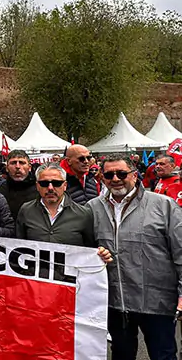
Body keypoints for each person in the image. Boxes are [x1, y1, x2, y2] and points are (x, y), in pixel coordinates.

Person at [88, 154, 182, 360]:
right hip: (116, 302)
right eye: (109, 174)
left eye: (121, 173)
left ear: (135, 175)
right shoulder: (92, 208)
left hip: (157, 301)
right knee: (121, 355)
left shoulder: (164, 206)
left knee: (163, 355)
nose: (115, 179)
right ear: (102, 177)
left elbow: (180, 252)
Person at [16, 163, 97, 247]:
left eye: (56, 183)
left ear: (65, 185)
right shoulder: (26, 210)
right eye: (44, 183)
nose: (50, 188)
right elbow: (19, 245)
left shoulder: (83, 214)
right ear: (37, 186)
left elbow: (90, 249)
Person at [0, 150, 39, 219]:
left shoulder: (40, 188)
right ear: (7, 168)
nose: (17, 166)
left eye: (22, 163)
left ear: (29, 167)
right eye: (13, 163)